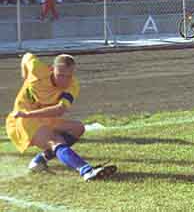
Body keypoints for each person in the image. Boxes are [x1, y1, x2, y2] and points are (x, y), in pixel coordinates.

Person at [5, 53, 117, 181]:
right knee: (55, 140)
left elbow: (60, 110)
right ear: (52, 69)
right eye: (61, 75)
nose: (64, 80)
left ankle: (39, 160)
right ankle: (86, 171)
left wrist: (29, 113)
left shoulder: (73, 86)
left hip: (39, 116)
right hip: (23, 120)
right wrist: (25, 75)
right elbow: (26, 56)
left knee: (78, 128)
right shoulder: (37, 69)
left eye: (69, 76)